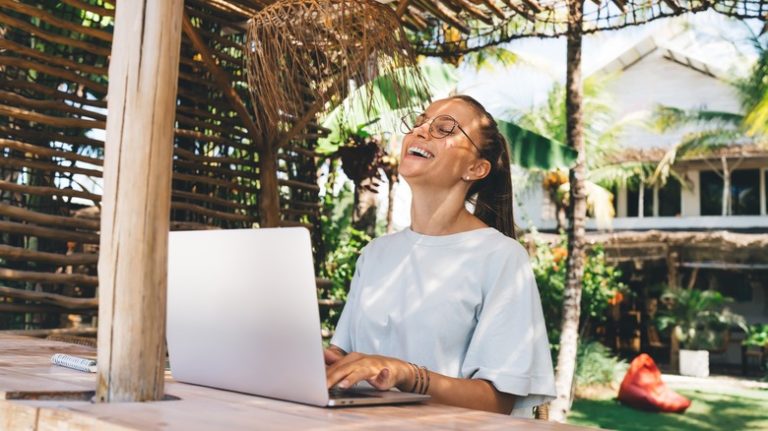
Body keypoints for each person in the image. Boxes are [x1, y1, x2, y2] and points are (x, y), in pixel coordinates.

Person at [324, 95, 556, 417]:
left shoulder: (501, 258)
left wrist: (406, 374)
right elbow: (344, 355)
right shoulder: (375, 254)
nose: (420, 131)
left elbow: (497, 401)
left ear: (476, 168)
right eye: (418, 122)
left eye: (444, 128)